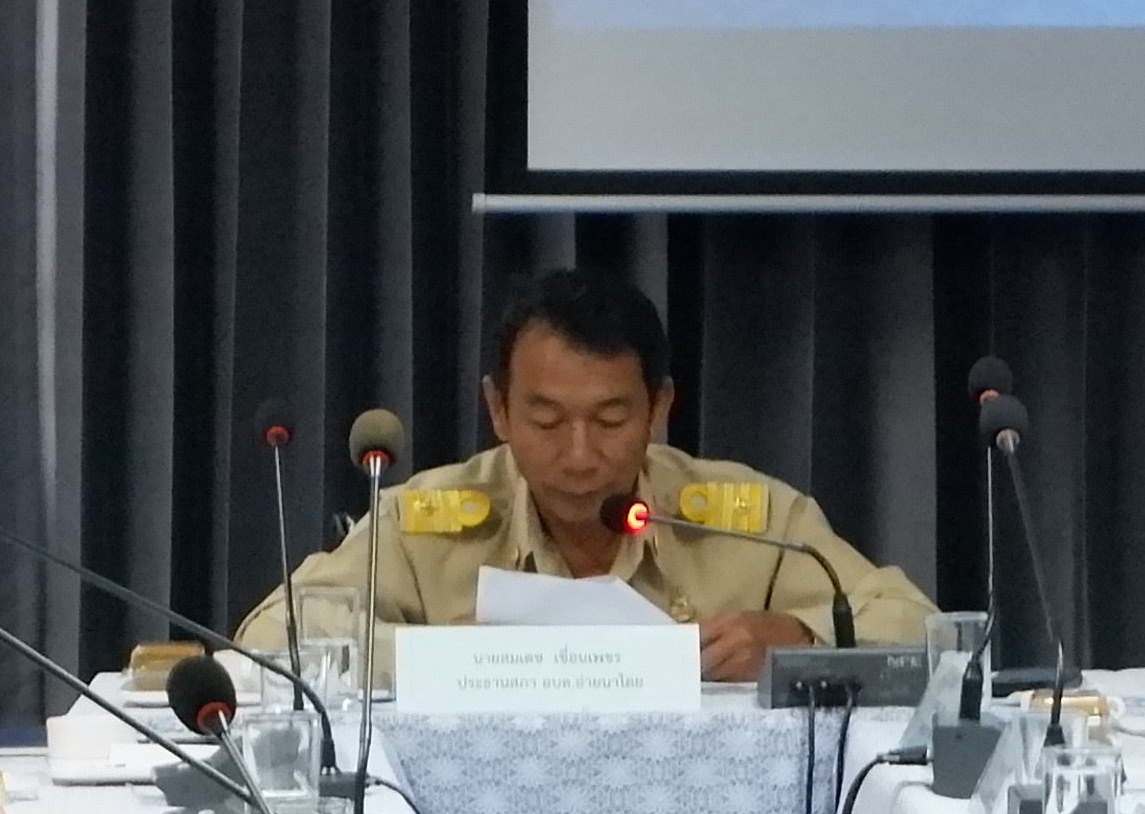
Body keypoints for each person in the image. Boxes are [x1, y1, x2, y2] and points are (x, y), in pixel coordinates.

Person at [239, 267, 933, 683]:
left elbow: (921, 629)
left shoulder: (748, 521)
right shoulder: (428, 521)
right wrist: (432, 658)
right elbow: (270, 638)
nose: (578, 455)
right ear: (499, 409)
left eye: (610, 420)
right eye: (546, 420)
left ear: (658, 408)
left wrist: (799, 641)